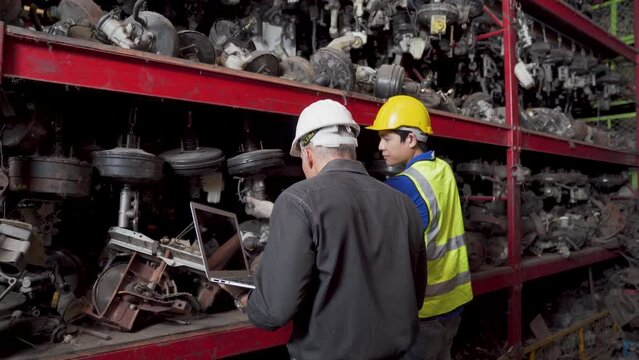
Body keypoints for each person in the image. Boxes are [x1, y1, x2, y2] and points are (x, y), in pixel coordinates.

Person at [230, 99, 427, 360]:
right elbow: (416, 296)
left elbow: (274, 312)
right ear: (352, 150)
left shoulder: (297, 201)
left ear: (308, 155)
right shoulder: (404, 205)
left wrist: (247, 302)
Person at [366, 95, 473, 360]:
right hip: (454, 303)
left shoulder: (404, 185)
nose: (380, 146)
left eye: (387, 138)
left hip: (425, 311)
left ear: (411, 139)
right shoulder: (442, 169)